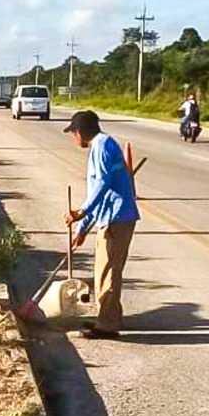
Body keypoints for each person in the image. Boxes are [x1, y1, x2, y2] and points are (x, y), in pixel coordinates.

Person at [62, 110, 140, 339]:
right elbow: (100, 191)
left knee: (108, 272)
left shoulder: (101, 146)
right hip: (111, 216)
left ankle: (107, 325)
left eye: (73, 133)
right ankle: (109, 317)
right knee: (105, 271)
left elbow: (102, 186)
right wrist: (83, 228)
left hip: (117, 218)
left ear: (80, 132)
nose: (73, 138)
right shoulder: (104, 145)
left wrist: (81, 212)